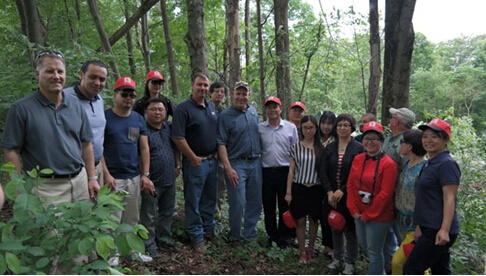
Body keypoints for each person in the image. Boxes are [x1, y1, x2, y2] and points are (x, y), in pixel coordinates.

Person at [2, 51, 100, 204]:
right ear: (37, 74)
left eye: (60, 71)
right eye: (49, 71)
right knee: (51, 229)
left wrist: (92, 178)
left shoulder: (76, 107)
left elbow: (86, 144)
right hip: (45, 188)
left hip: (80, 182)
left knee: (83, 226)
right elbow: (11, 150)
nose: (56, 76)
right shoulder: (21, 109)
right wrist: (17, 186)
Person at [403, 118, 461, 275]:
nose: (428, 140)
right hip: (428, 226)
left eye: (434, 136)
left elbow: (450, 199)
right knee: (440, 270)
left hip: (437, 230)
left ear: (445, 140)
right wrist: (419, 226)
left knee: (411, 269)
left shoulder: (447, 164)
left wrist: (444, 230)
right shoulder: (430, 162)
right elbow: (426, 199)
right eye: (425, 136)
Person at [171, 73, 218, 253]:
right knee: (193, 200)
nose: (203, 88)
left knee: (209, 198)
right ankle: (196, 235)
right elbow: (177, 137)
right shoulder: (183, 109)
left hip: (211, 161)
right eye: (200, 85)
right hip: (195, 163)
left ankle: (208, 230)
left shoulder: (211, 106)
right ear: (192, 85)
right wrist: (192, 157)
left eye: (206, 85)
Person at [346, 121, 397, 274]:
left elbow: (385, 194)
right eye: (367, 138)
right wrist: (353, 209)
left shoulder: (389, 164)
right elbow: (350, 184)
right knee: (365, 246)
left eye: (374, 138)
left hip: (379, 215)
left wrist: (369, 214)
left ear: (381, 141)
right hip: (359, 213)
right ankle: (385, 269)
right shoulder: (358, 159)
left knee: (374, 251)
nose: (370, 142)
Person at [103, 76, 155, 225]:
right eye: (124, 94)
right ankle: (112, 249)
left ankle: (130, 249)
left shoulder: (138, 119)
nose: (128, 98)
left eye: (132, 95)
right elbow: (98, 149)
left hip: (133, 177)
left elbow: (144, 148)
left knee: (131, 219)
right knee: (111, 221)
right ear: (115, 95)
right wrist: (106, 174)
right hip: (113, 179)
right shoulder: (105, 118)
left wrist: (145, 174)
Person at [217, 81, 262, 244]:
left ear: (249, 95)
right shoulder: (225, 116)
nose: (241, 97)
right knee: (238, 202)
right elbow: (221, 143)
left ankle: (250, 234)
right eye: (238, 93)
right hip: (237, 164)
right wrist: (228, 168)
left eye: (244, 94)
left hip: (255, 162)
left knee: (255, 201)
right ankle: (235, 235)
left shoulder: (253, 112)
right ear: (233, 95)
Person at [320, 114, 364, 275]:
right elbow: (323, 171)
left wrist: (343, 190)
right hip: (331, 196)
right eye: (340, 125)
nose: (342, 128)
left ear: (352, 127)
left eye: (346, 125)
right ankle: (338, 259)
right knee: (335, 226)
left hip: (350, 195)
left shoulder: (358, 148)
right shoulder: (330, 147)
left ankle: (350, 262)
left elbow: (357, 174)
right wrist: (330, 191)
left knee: (350, 230)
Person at [139, 98, 181, 259]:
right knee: (149, 215)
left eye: (161, 110)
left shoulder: (168, 128)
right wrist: (144, 175)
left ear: (165, 112)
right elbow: (139, 155)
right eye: (153, 109)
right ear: (146, 112)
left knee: (167, 212)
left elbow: (176, 147)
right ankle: (148, 244)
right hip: (151, 181)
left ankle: (164, 238)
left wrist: (178, 165)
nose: (157, 112)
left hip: (169, 179)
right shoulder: (143, 130)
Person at [259, 96, 299, 247]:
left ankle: (284, 236)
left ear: (280, 109)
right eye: (269, 107)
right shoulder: (260, 128)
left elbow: (295, 152)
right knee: (268, 206)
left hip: (285, 172)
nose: (272, 110)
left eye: (275, 107)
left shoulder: (290, 128)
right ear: (266, 110)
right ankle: (272, 236)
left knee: (284, 206)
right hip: (266, 172)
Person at [284, 115, 323, 263]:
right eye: (305, 127)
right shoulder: (296, 147)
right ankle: (302, 251)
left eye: (311, 127)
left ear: (316, 129)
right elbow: (291, 171)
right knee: (300, 221)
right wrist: (288, 192)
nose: (308, 130)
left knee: (314, 221)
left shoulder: (321, 148)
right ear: (301, 129)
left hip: (316, 188)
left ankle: (311, 250)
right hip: (299, 187)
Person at [64, 60, 108, 184]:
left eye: (102, 79)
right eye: (93, 77)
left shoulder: (99, 100)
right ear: (82, 75)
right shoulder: (64, 98)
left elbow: (98, 137)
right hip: (76, 170)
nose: (97, 83)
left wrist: (104, 171)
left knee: (97, 203)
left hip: (97, 166)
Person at [382, 107, 415, 272]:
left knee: (402, 234)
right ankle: (390, 265)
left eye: (393, 117)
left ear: (398, 121)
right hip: (384, 195)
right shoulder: (389, 138)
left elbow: (406, 171)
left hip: (397, 197)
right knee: (388, 232)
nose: (390, 119)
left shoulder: (407, 142)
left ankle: (406, 267)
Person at [391, 130, 427, 274]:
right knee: (415, 260)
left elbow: (425, 199)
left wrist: (420, 226)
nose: (400, 145)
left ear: (410, 146)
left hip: (416, 226)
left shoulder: (424, 168)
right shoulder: (408, 165)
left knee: (397, 262)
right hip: (402, 223)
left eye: (402, 142)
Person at [318, 110, 337, 258]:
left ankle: (333, 246)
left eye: (329, 123)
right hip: (314, 181)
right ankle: (326, 245)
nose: (326, 126)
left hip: (331, 184)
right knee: (321, 216)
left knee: (331, 214)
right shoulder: (315, 139)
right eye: (323, 123)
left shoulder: (336, 141)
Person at [209, 81, 227, 218]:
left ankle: (216, 211)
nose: (219, 94)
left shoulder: (224, 113)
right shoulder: (205, 108)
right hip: (205, 154)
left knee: (220, 185)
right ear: (210, 93)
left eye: (222, 92)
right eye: (217, 91)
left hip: (221, 155)